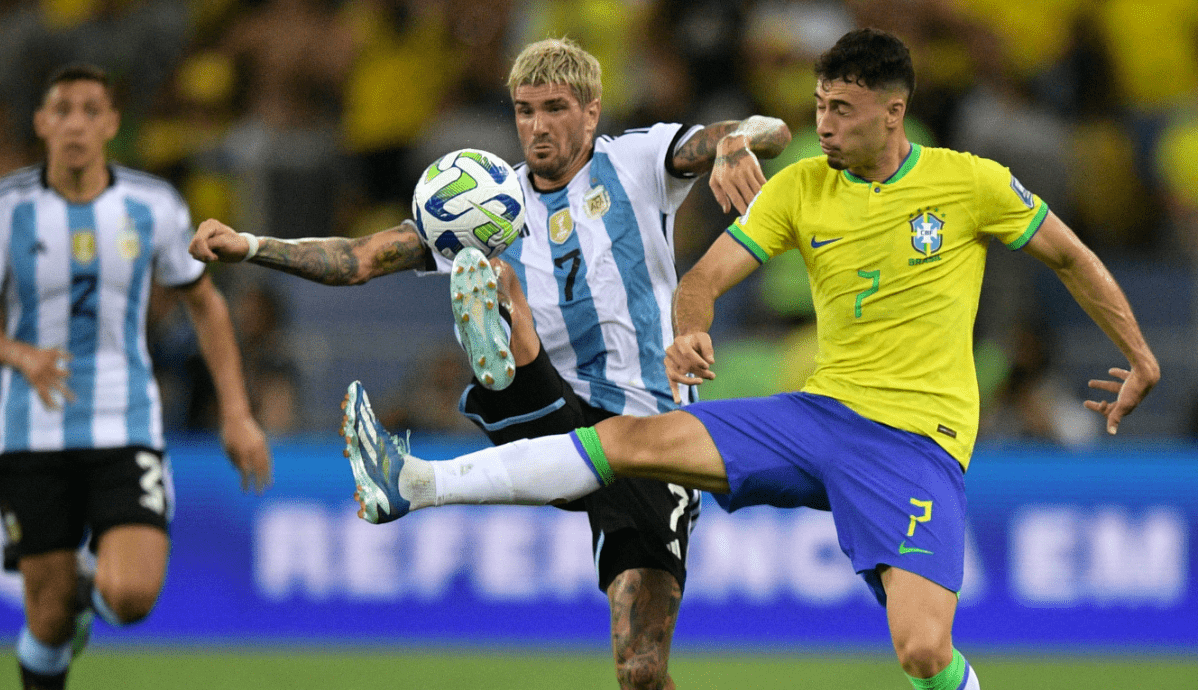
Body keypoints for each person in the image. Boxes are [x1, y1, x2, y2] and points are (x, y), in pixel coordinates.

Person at [338, 29, 1160, 690]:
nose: (823, 125)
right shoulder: (800, 186)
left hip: (915, 445)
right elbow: (703, 278)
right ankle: (416, 482)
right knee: (631, 439)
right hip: (818, 417)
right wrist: (690, 329)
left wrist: (1139, 355)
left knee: (921, 651)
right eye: (819, 105)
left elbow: (1071, 256)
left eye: (841, 110)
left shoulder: (970, 183)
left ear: (893, 112)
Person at [189, 37, 790, 690]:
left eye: (555, 108)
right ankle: (504, 332)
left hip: (651, 432)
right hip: (555, 419)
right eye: (525, 110)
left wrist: (736, 140)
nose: (537, 126)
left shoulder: (638, 159)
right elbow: (358, 258)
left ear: (591, 111)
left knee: (641, 672)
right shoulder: (487, 203)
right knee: (496, 280)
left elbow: (771, 129)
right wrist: (252, 244)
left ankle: (497, 328)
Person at [0, 64, 272, 690]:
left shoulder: (153, 205)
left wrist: (236, 414)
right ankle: (64, 610)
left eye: (90, 110)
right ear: (42, 123)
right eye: (62, 110)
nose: (76, 123)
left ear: (111, 125)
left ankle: (83, 594)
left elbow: (205, 304)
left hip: (127, 425)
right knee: (46, 619)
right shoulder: (3, 206)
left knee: (130, 597)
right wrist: (21, 356)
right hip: (32, 432)